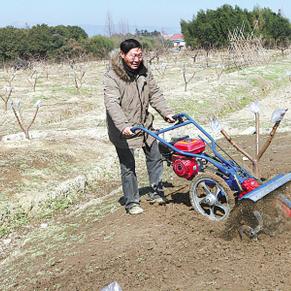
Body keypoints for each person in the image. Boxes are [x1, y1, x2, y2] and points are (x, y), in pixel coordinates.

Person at [104, 39, 175, 215]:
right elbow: (111, 103)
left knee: (155, 156)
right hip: (124, 129)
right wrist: (123, 126)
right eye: (132, 55)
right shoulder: (112, 76)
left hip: (145, 124)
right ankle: (132, 202)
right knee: (128, 166)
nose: (137, 59)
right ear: (122, 54)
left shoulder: (144, 71)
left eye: (139, 55)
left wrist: (166, 112)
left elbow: (155, 93)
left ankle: (156, 192)